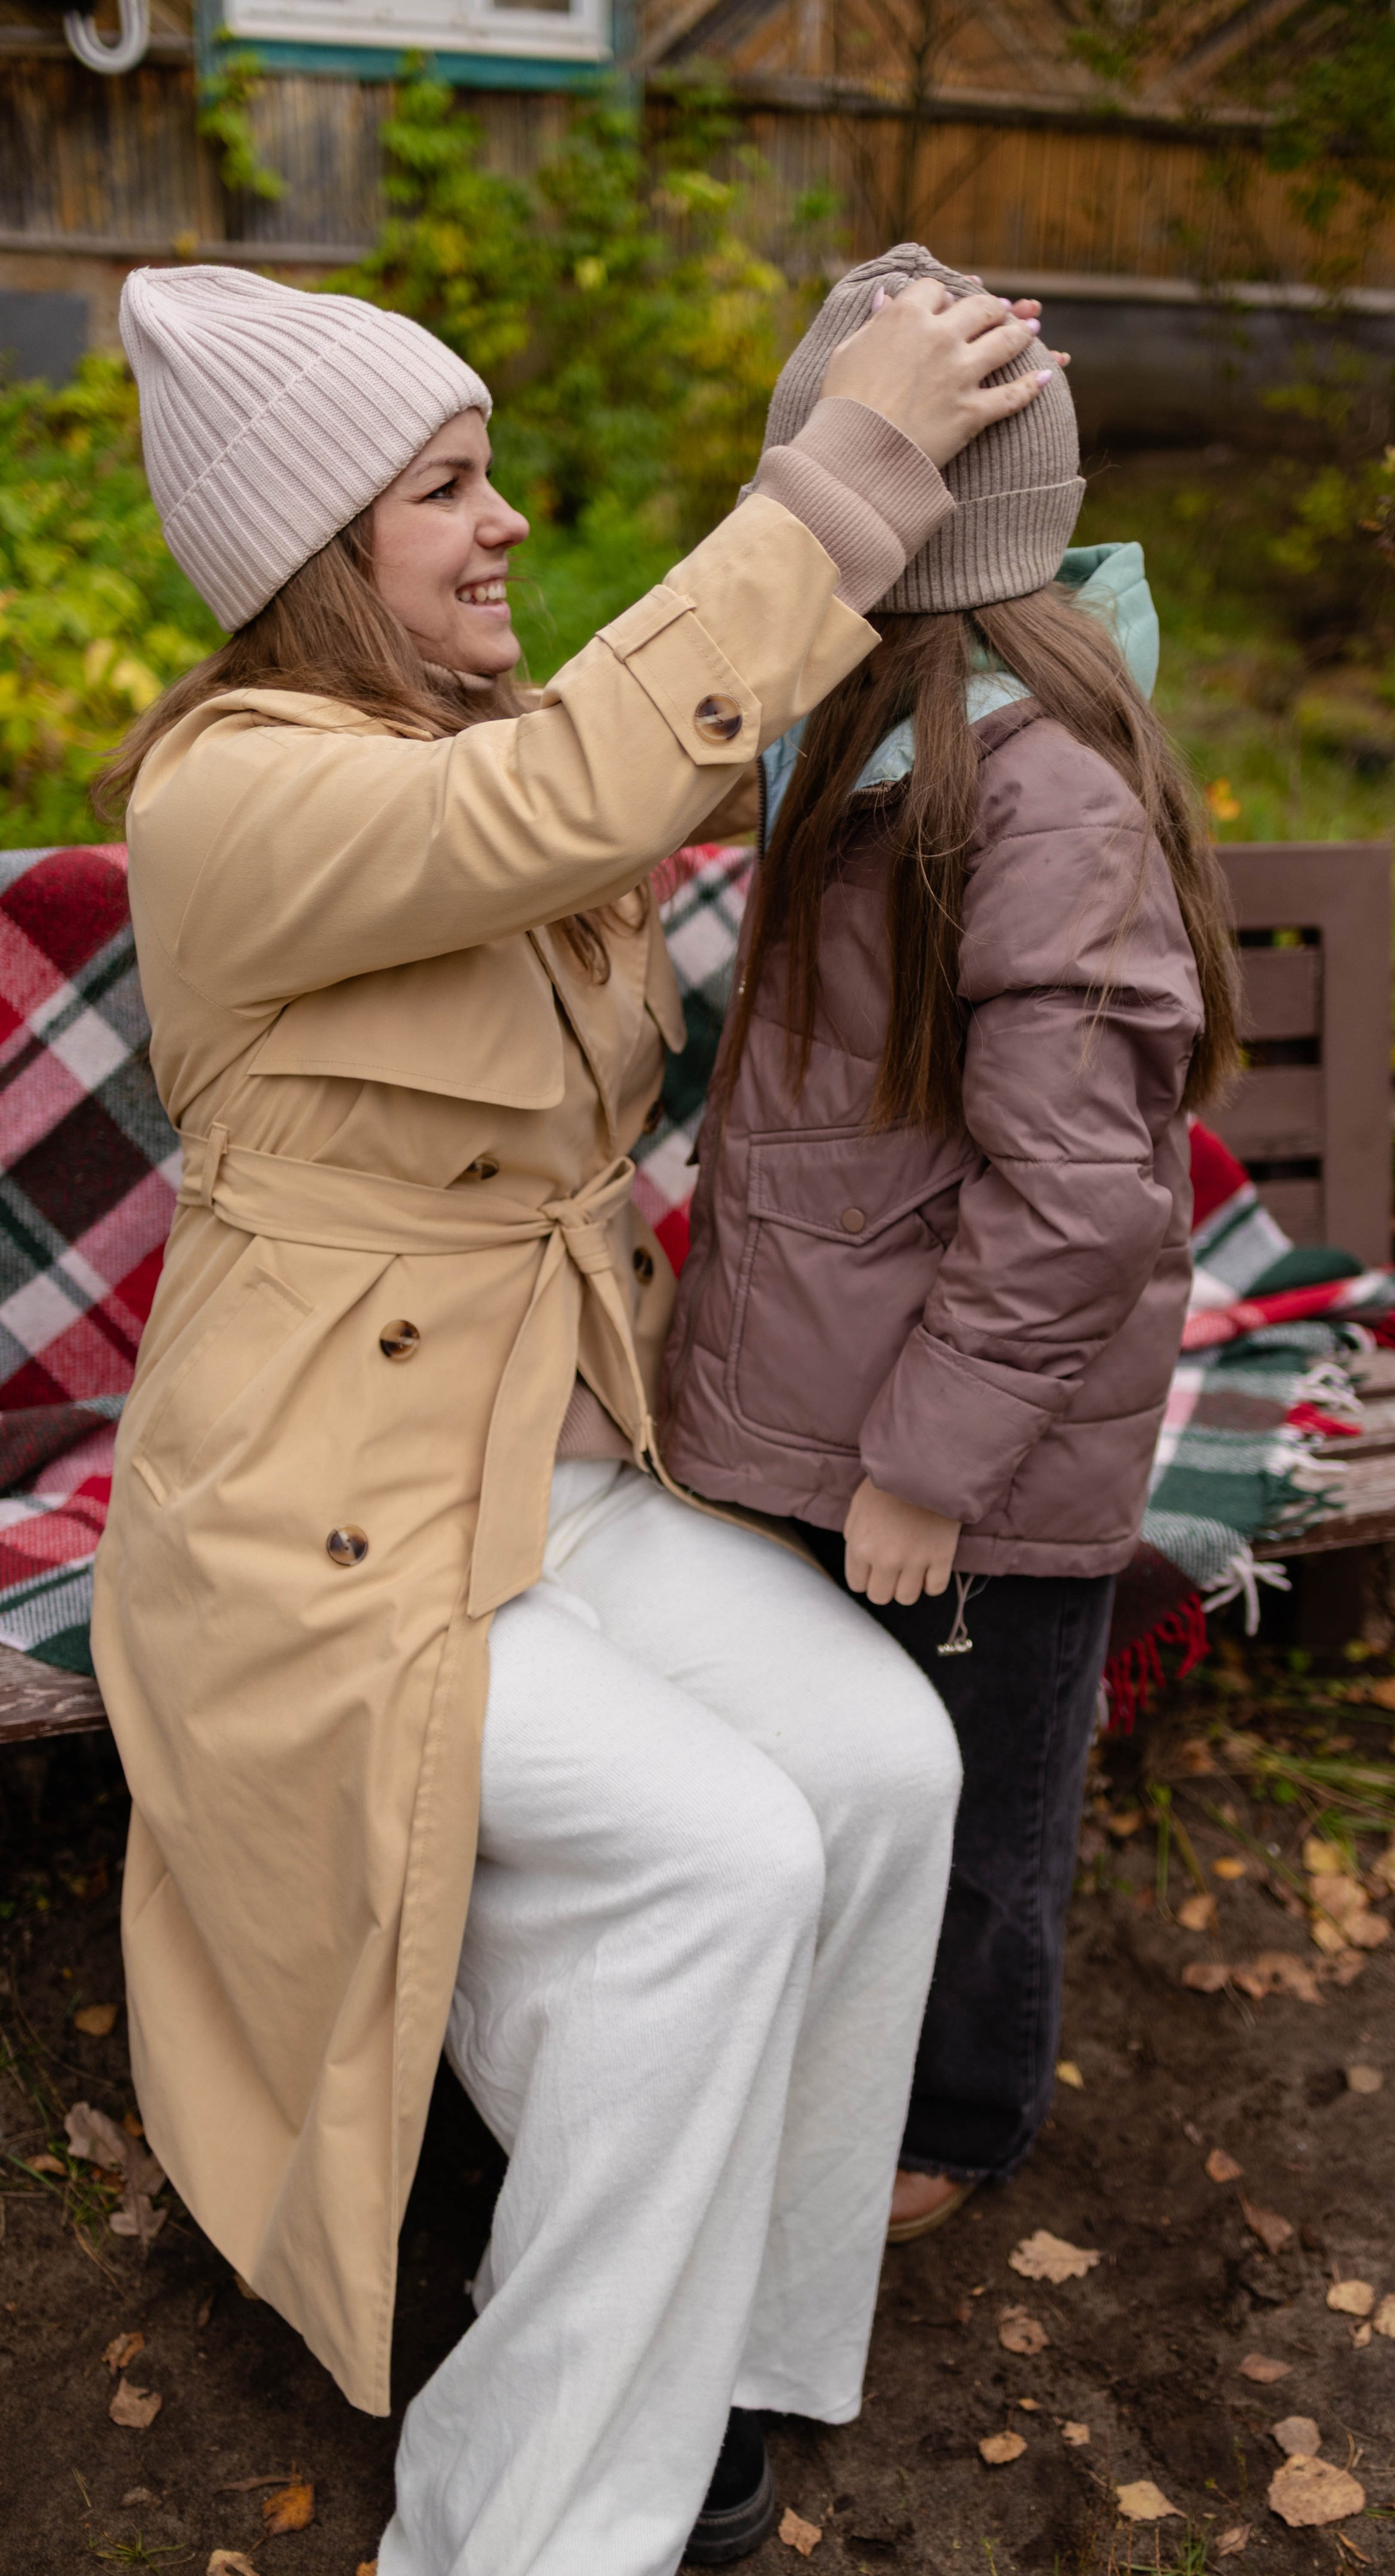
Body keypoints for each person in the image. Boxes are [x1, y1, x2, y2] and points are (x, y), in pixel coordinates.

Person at [92, 258, 1061, 2574]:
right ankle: (528, 2525)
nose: (507, 521)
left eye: (493, 475)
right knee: (717, 1860)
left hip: (550, 1462)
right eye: (447, 488)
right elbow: (580, 789)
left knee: (882, 1763)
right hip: (314, 1526)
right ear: (322, 549)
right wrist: (840, 465)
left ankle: (704, 2357)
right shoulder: (238, 793)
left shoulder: (469, 747)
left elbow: (653, 749)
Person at [660, 242, 1241, 2245]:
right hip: (853, 1404)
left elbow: (1078, 1191)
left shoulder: (1037, 791)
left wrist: (925, 1463)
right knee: (851, 1783)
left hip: (967, 1465)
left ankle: (949, 2125)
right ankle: (833, 2074)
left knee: (983, 1816)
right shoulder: (879, 739)